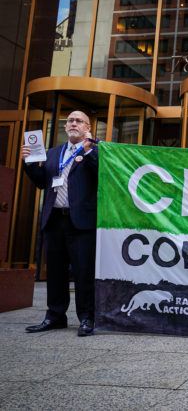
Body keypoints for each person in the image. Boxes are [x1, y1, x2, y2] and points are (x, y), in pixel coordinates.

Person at [22, 110, 99, 337]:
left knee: (84, 272)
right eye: (70, 121)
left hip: (81, 223)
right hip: (54, 220)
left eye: (78, 121)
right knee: (55, 272)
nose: (73, 124)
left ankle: (87, 318)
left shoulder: (95, 150)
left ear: (88, 127)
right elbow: (41, 183)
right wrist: (28, 164)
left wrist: (90, 153)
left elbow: (103, 176)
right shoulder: (52, 153)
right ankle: (55, 316)